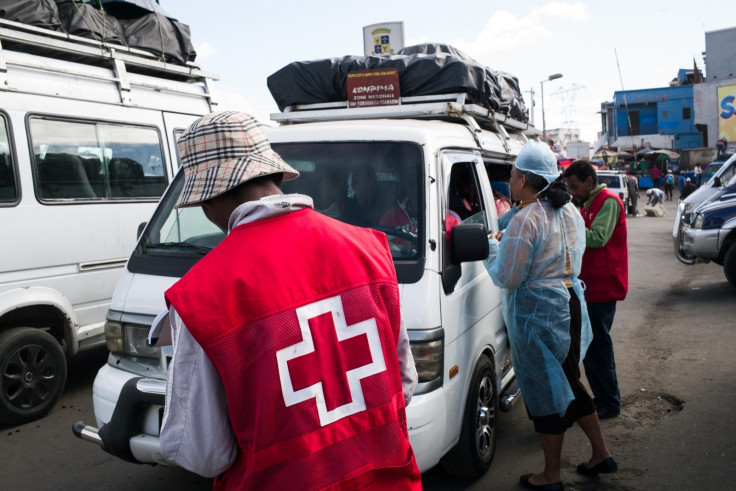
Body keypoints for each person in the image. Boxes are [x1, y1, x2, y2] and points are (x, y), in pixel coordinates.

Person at [158, 111, 422, 490]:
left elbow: (203, 452)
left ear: (209, 196)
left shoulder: (201, 295)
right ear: (276, 176)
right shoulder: (370, 249)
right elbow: (405, 382)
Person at [485, 141, 617, 490]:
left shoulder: (528, 218)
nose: (509, 178)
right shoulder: (568, 209)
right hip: (570, 305)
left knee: (546, 391)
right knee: (569, 381)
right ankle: (601, 453)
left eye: (512, 173)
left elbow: (508, 276)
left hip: (539, 313)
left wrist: (493, 248)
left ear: (524, 179)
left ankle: (551, 475)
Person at [564, 160, 628, 420]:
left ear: (589, 182)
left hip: (604, 285)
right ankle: (603, 398)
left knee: (598, 347)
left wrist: (568, 229)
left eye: (575, 186)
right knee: (591, 348)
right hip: (591, 285)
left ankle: (609, 403)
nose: (572, 192)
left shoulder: (608, 201)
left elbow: (599, 238)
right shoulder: (589, 202)